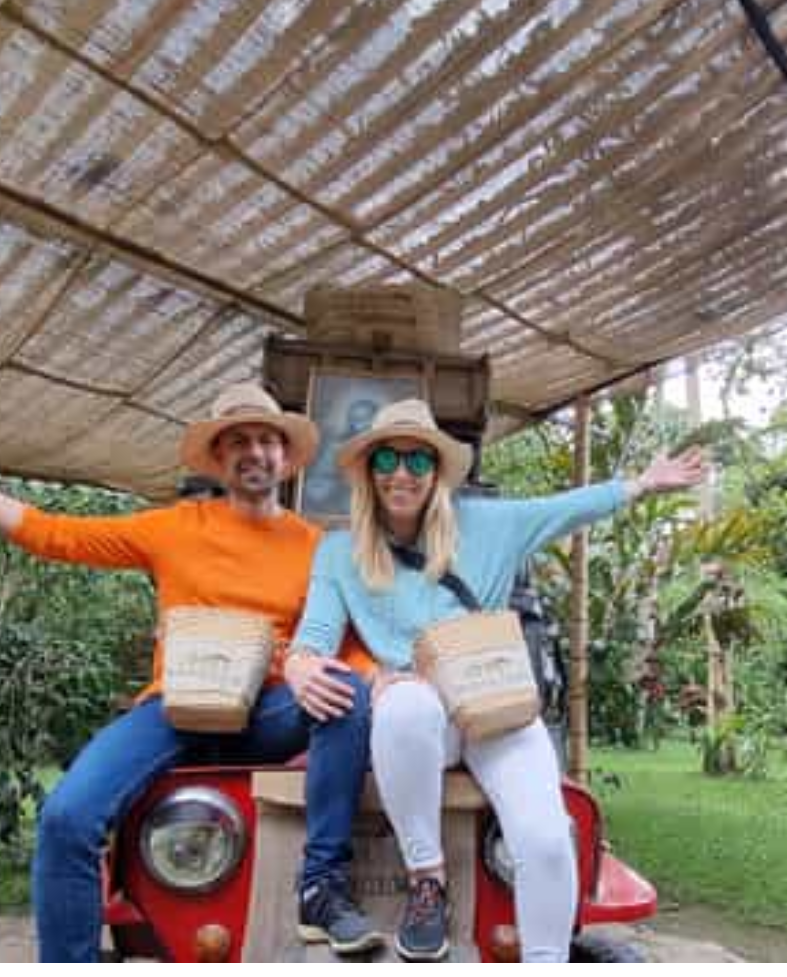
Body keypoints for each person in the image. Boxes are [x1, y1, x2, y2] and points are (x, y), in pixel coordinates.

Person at [0, 383, 382, 961]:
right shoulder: (173, 527)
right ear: (219, 459)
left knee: (346, 692)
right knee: (67, 818)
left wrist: (384, 680)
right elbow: (48, 533)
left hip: (270, 710)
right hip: (177, 708)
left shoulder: (318, 548)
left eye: (266, 440)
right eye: (237, 441)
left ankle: (321, 885)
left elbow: (349, 646)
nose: (254, 452)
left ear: (285, 456)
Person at [287, 399, 704, 962]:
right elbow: (313, 639)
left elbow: (567, 508)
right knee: (405, 703)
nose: (402, 473)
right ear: (368, 471)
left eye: (418, 460)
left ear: (436, 472)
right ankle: (427, 881)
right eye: (387, 458)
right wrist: (300, 663)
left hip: (492, 707)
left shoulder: (487, 524)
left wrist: (643, 485)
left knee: (547, 840)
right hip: (418, 724)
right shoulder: (340, 552)